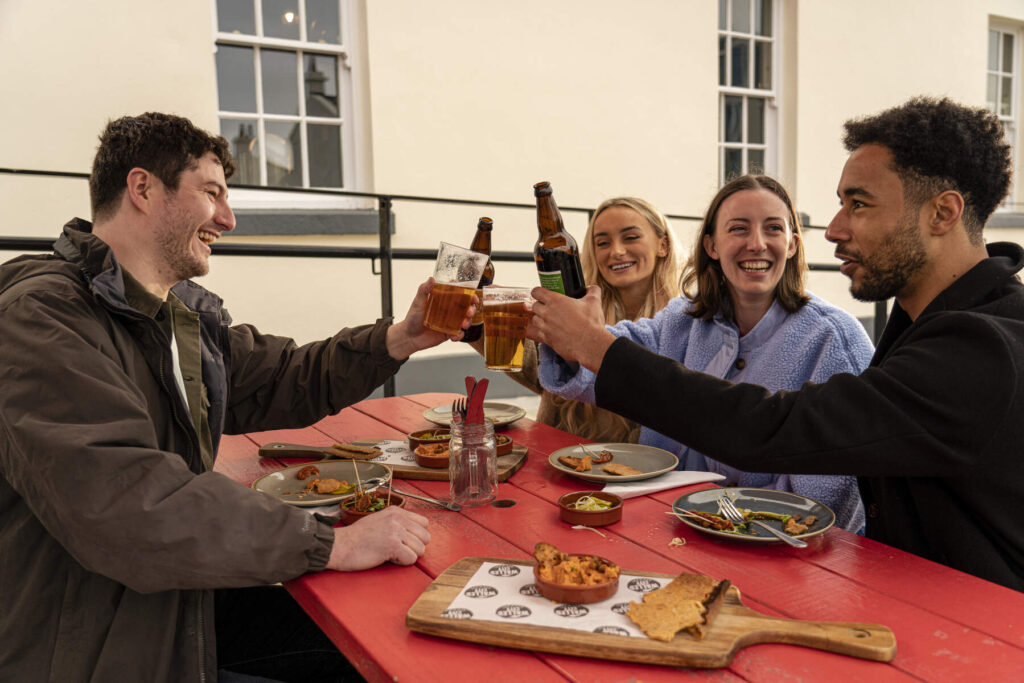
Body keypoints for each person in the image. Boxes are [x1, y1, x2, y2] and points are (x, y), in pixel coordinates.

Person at [0, 113, 464, 680]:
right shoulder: (42, 320)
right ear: (142, 188)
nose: (229, 217)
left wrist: (400, 339)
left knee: (377, 648)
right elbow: (129, 504)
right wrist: (328, 546)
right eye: (211, 193)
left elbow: (283, 376)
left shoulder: (179, 317)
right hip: (90, 643)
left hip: (172, 599)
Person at [529, 96, 1024, 591]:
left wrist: (596, 346)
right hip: (905, 610)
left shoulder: (982, 345)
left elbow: (776, 429)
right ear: (711, 245)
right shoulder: (932, 325)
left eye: (859, 204)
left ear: (942, 213)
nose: (833, 228)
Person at [539, 176, 874, 531]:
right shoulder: (684, 319)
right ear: (712, 245)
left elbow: (835, 496)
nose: (757, 244)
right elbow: (610, 363)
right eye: (739, 229)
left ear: (792, 244)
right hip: (668, 525)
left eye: (773, 228)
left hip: (772, 546)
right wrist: (560, 331)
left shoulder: (834, 339)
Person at [473, 196, 680, 442]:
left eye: (631, 237)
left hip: (640, 472)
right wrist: (475, 328)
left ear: (663, 245)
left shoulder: (683, 323)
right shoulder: (575, 306)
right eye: (602, 243)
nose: (616, 251)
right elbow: (543, 372)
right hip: (561, 462)